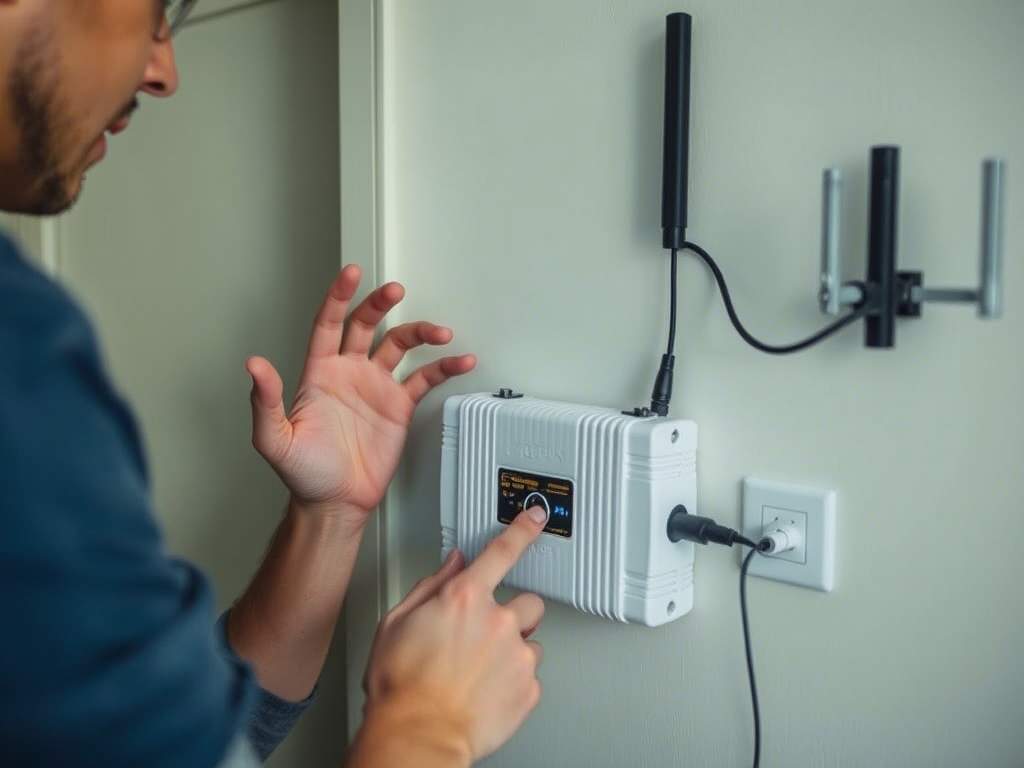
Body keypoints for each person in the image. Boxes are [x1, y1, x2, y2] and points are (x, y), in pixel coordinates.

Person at [0, 2, 545, 766]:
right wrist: (428, 726)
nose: (163, 72)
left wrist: (330, 518)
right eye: (158, 14)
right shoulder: (18, 341)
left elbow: (187, 743)